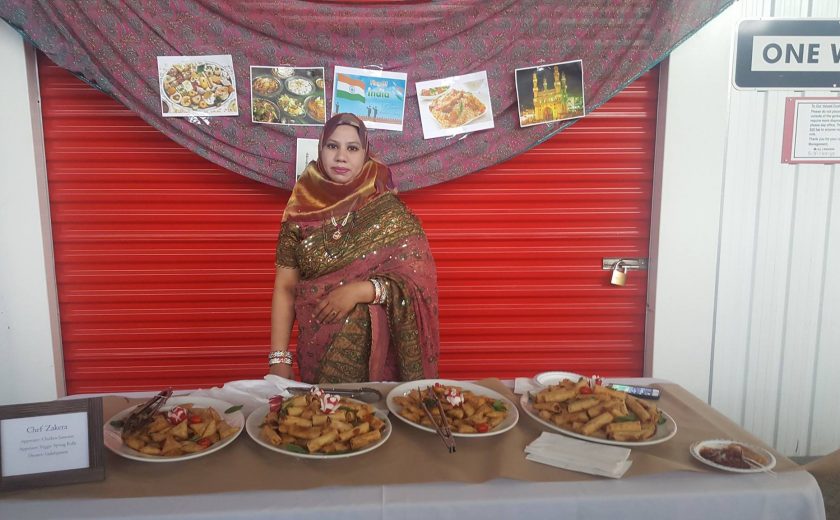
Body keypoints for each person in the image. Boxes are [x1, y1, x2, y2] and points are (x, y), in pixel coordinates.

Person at [269, 113, 440, 383]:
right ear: (320, 149)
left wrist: (361, 291)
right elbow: (286, 288)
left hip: (381, 366)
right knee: (321, 419)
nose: (341, 156)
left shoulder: (388, 210)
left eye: (352, 148)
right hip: (317, 352)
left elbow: (419, 278)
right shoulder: (300, 210)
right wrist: (279, 359)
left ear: (365, 154)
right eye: (332, 146)